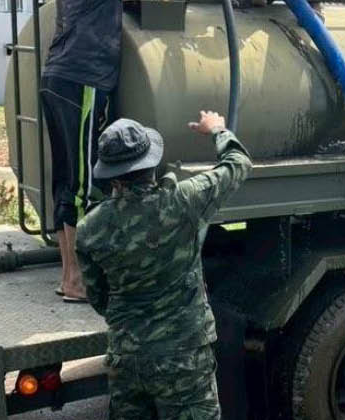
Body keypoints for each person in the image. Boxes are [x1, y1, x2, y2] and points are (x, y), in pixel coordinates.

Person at [41, 0, 212, 302]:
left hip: (56, 77)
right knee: (81, 185)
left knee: (66, 179)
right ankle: (76, 280)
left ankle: (69, 275)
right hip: (83, 79)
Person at [75, 111, 252, 419]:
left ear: (112, 175)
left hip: (127, 359)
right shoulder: (183, 201)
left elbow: (99, 298)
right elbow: (238, 164)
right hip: (183, 358)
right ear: (151, 163)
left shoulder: (90, 227)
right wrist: (217, 130)